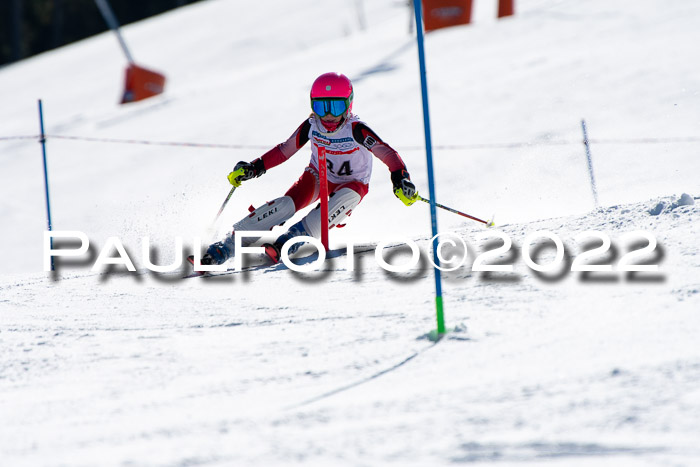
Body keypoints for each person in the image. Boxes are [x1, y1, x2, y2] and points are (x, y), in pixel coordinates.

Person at [200, 72, 419, 265]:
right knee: (285, 205)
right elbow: (285, 150)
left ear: (349, 104)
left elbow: (388, 154)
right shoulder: (311, 125)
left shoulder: (357, 129)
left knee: (336, 205)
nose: (328, 116)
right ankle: (226, 245)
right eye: (321, 107)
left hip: (353, 184)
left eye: (336, 106)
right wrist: (254, 168)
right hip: (316, 176)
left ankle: (291, 240)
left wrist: (400, 178)